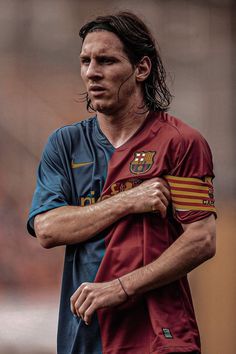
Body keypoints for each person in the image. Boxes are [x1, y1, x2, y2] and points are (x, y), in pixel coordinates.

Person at [27, 11, 216, 354]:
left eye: (107, 61)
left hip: (160, 336)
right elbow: (47, 228)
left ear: (141, 69)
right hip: (85, 334)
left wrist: (122, 287)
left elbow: (202, 239)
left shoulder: (181, 142)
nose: (92, 72)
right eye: (85, 61)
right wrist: (129, 199)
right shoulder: (65, 145)